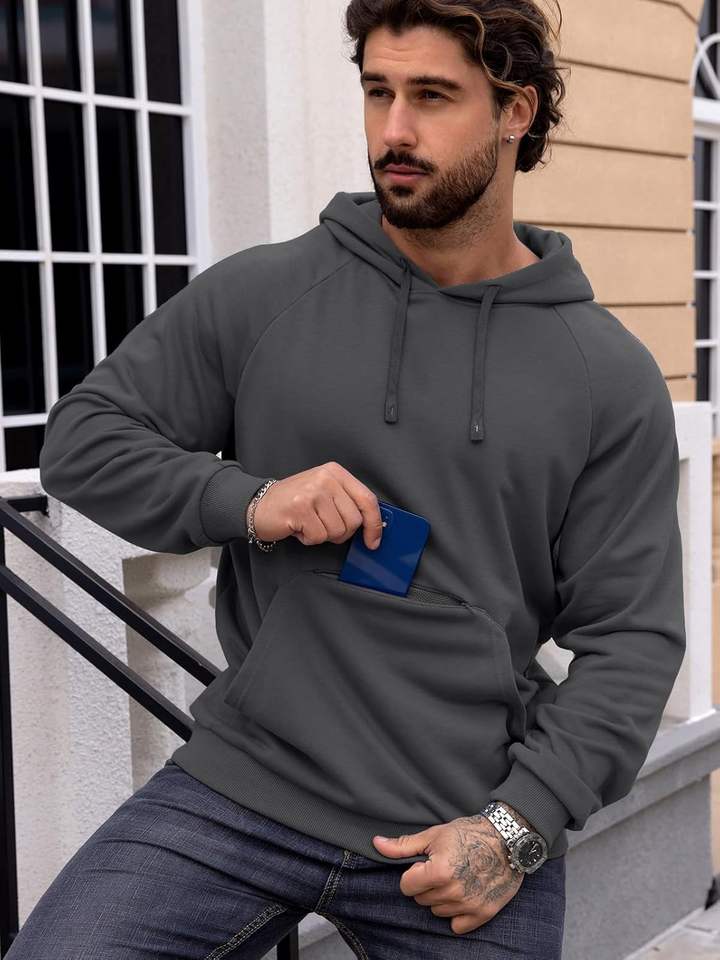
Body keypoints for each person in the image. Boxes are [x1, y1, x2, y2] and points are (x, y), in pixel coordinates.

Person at [12, 1, 685, 957]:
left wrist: (517, 826)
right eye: (377, 92)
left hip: (461, 822)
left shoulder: (604, 376)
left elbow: (633, 640)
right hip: (245, 788)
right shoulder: (270, 292)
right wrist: (248, 501)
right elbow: (82, 440)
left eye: (432, 96)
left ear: (515, 112)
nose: (394, 130)